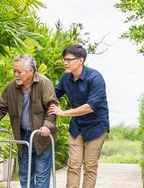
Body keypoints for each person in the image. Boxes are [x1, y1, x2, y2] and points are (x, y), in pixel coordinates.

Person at [0, 54, 58, 188]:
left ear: (31, 71)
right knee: (25, 174)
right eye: (14, 70)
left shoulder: (44, 83)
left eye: (19, 71)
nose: (15, 74)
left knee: (41, 175)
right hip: (23, 136)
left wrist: (47, 126)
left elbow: (52, 107)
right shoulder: (10, 88)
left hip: (41, 136)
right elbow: (1, 108)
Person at [49, 44, 109, 188]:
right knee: (73, 165)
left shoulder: (95, 78)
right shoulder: (65, 78)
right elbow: (53, 96)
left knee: (89, 166)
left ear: (81, 60)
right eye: (64, 59)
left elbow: (90, 107)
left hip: (96, 128)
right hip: (77, 127)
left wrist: (63, 113)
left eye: (69, 59)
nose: (65, 62)